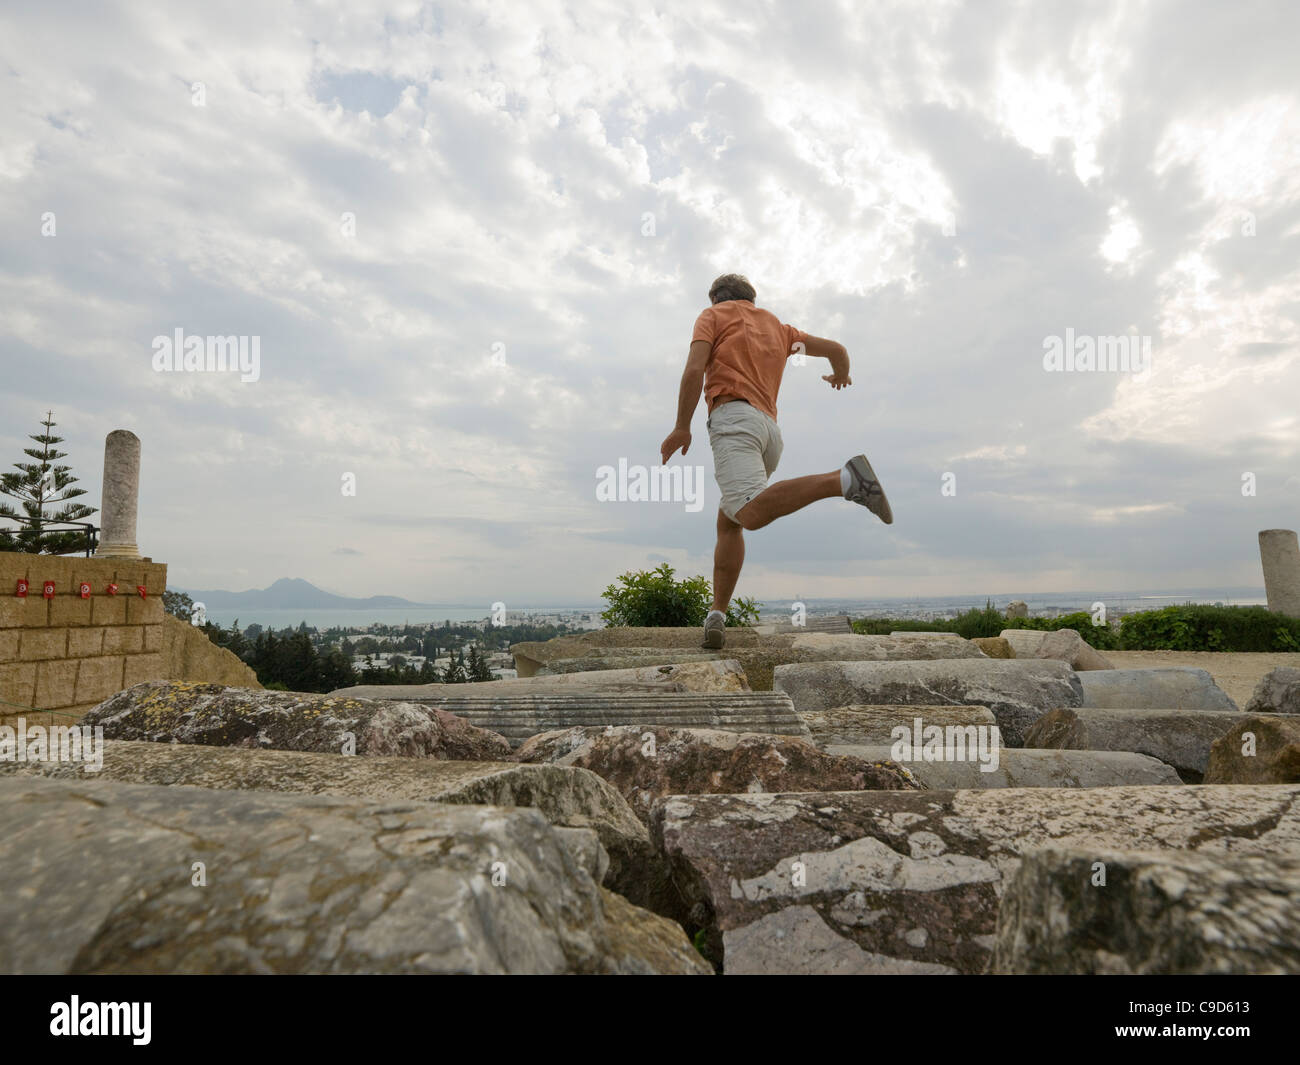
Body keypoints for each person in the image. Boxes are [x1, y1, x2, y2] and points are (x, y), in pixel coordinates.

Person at [659, 273, 892, 649]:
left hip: (734, 420)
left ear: (717, 297)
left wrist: (681, 427)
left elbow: (694, 369)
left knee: (748, 511)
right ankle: (717, 615)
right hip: (769, 432)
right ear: (752, 298)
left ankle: (845, 480)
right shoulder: (780, 330)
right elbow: (836, 349)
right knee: (730, 520)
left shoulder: (713, 315)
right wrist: (840, 375)